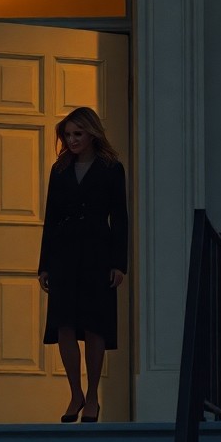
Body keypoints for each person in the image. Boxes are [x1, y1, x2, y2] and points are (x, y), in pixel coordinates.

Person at [37, 107, 129, 423]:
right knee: (64, 323)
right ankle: (74, 393)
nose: (72, 140)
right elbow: (50, 218)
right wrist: (44, 264)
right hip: (63, 251)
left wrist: (119, 263)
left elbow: (120, 218)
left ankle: (92, 397)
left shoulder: (111, 168)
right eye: (68, 134)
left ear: (91, 134)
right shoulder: (59, 169)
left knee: (94, 324)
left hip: (96, 251)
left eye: (78, 134)